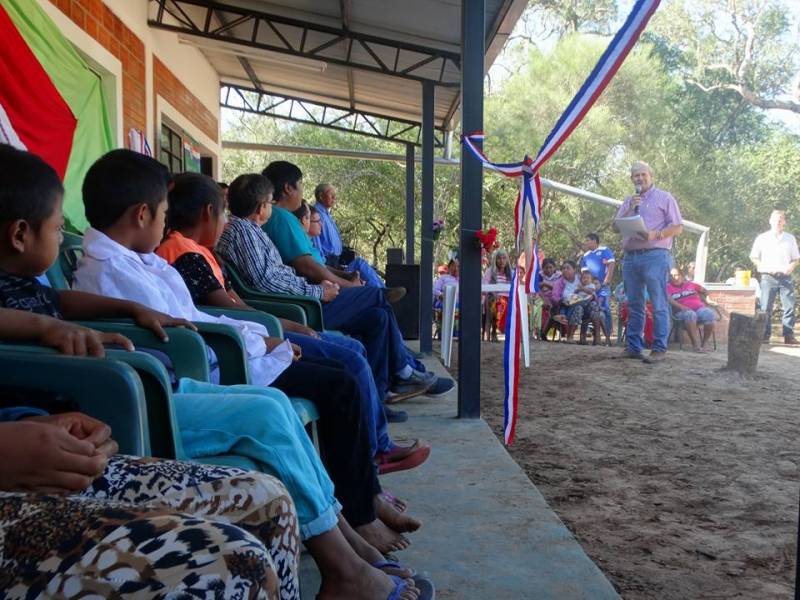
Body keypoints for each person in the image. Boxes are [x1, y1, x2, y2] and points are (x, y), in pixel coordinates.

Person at [0, 145, 426, 599]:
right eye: (55, 225)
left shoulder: (35, 285)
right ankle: (347, 554)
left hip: (160, 381)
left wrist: (118, 310)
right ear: (21, 234)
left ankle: (347, 536)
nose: (66, 232)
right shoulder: (109, 267)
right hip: (143, 394)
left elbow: (62, 303)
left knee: (281, 402)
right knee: (288, 409)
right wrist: (53, 327)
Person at [159, 174, 429, 462]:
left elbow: (234, 299)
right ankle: (375, 445)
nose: (226, 221)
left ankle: (382, 417)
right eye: (223, 212)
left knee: (374, 322)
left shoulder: (197, 250)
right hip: (248, 340)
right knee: (353, 353)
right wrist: (287, 323)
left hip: (258, 330)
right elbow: (238, 301)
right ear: (208, 212)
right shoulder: (187, 252)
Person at [216, 173, 453, 400]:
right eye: (269, 202)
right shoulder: (244, 232)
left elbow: (277, 275)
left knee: (378, 317)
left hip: (304, 297)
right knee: (376, 299)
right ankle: (403, 367)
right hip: (302, 308)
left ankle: (384, 391)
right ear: (260, 208)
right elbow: (268, 282)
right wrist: (321, 290)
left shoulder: (252, 230)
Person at [612, 161, 683, 363]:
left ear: (651, 176)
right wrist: (629, 210)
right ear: (631, 179)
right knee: (634, 303)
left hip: (655, 255)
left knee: (658, 302)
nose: (640, 178)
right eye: (636, 176)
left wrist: (657, 234)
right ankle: (634, 347)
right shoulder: (628, 201)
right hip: (631, 258)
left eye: (643, 175)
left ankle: (659, 348)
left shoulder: (665, 198)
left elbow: (677, 227)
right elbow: (615, 228)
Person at [312, 182, 388, 289]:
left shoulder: (327, 214)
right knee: (359, 264)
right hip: (328, 267)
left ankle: (382, 292)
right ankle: (383, 293)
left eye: (335, 195)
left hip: (336, 263)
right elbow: (317, 251)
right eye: (331, 194)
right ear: (320, 196)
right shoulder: (316, 215)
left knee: (366, 267)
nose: (334, 198)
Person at [749, 209, 799, 344]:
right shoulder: (762, 238)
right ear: (770, 221)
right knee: (766, 307)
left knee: (789, 307)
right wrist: (762, 266)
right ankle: (765, 335)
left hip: (785, 277)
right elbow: (753, 256)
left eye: (780, 220)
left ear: (784, 222)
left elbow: (796, 258)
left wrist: (791, 267)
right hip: (768, 277)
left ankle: (788, 336)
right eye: (775, 219)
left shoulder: (790, 238)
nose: (778, 222)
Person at [666, 267, 718, 353]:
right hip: (680, 312)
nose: (674, 278)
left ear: (682, 276)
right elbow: (669, 299)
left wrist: (708, 299)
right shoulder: (667, 287)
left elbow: (705, 291)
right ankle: (696, 345)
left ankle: (704, 344)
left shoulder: (691, 284)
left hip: (699, 309)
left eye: (676, 275)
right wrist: (681, 306)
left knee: (710, 314)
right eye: (671, 276)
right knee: (690, 314)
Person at [580, 232, 615, 338]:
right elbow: (584, 273)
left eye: (587, 240)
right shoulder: (585, 256)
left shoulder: (605, 250)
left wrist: (606, 281)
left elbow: (611, 264)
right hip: (590, 287)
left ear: (594, 240)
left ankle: (608, 334)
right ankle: (593, 332)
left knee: (604, 307)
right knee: (591, 306)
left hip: (603, 286)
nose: (585, 243)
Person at [482, 249, 512, 341]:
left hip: (508, 299)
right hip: (494, 298)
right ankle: (494, 332)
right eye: (499, 258)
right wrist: (495, 294)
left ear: (507, 260)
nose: (502, 261)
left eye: (504, 258)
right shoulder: (490, 271)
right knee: (499, 304)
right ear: (495, 260)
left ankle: (513, 334)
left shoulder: (511, 273)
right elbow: (485, 286)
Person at [432, 258, 459, 338]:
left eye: (457, 266)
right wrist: (441, 295)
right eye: (453, 266)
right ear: (449, 267)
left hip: (458, 304)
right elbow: (435, 290)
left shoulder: (462, 279)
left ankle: (456, 334)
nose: (455, 268)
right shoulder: (443, 277)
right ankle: (443, 335)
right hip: (445, 302)